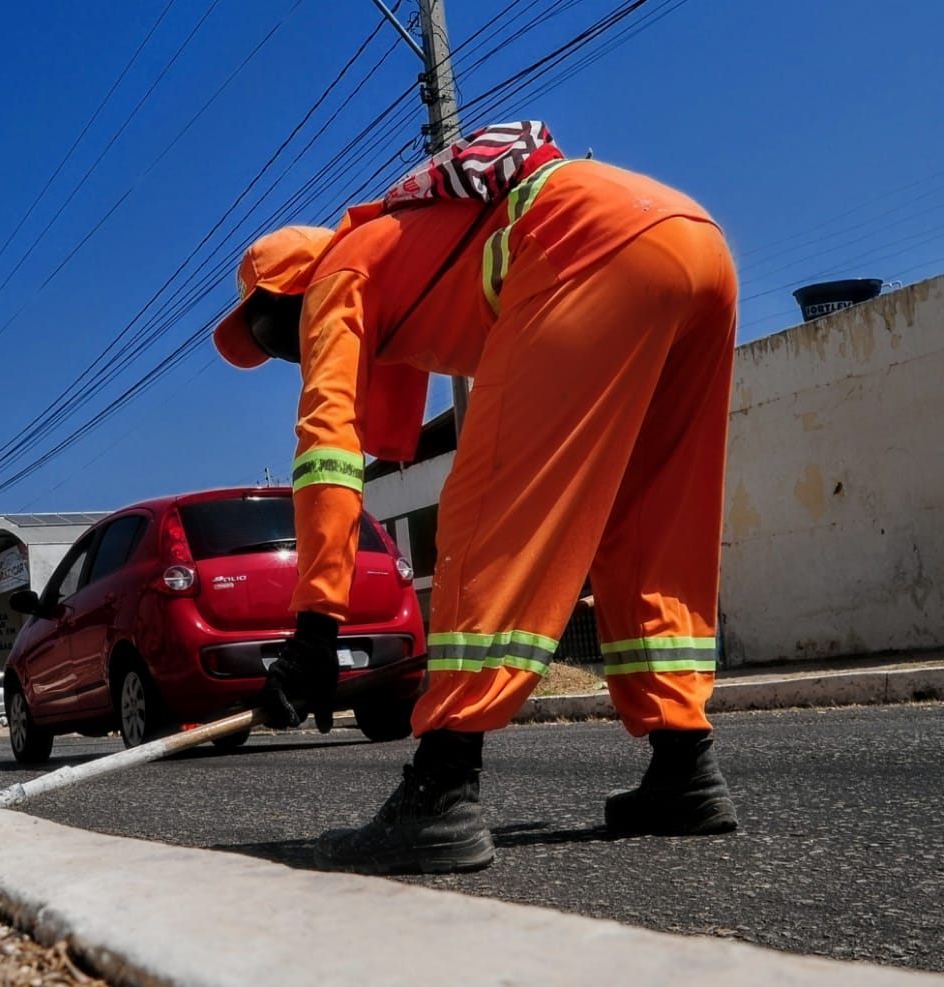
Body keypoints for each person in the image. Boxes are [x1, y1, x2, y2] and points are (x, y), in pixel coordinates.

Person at [213, 126, 739, 875]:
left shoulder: (337, 271)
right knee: (646, 514)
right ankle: (683, 763)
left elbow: (326, 449)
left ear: (290, 292)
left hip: (584, 241)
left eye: (271, 333)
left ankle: (441, 786)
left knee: (487, 510)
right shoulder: (407, 241)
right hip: (693, 242)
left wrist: (314, 629)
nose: (283, 355)